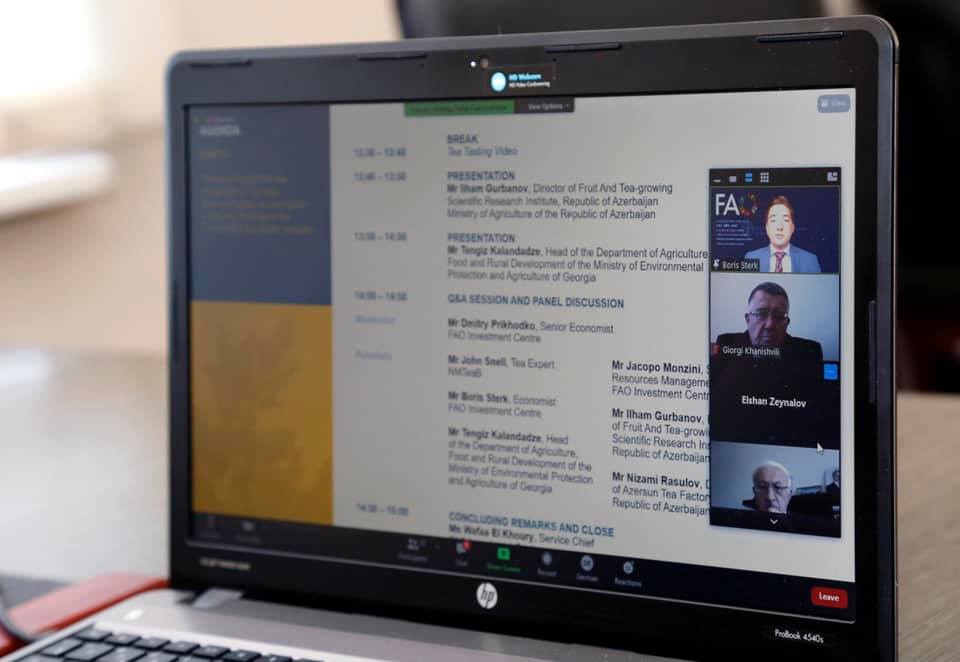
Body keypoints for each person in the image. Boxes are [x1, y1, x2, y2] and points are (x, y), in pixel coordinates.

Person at [714, 282, 823, 360]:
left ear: (787, 322)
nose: (770, 325)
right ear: (748, 319)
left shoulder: (809, 352)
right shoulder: (726, 344)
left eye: (779, 315)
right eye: (761, 314)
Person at [744, 195, 822, 273]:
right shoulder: (751, 258)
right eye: (773, 220)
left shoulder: (810, 260)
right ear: (767, 228)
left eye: (785, 220)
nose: (779, 227)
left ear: (792, 228)